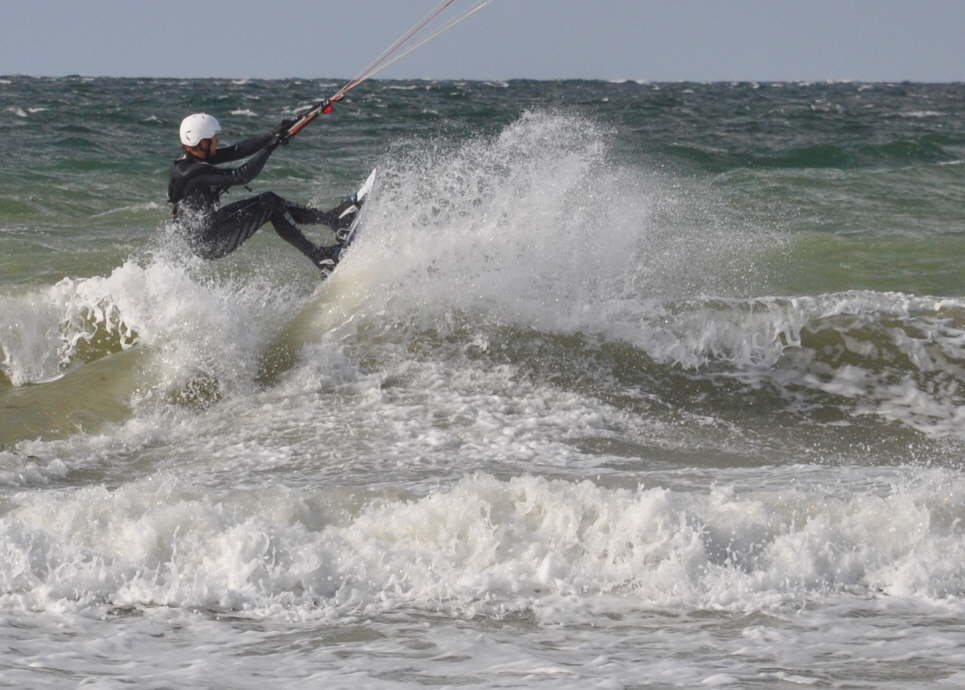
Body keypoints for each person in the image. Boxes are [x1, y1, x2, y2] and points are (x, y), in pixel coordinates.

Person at [167, 112, 357, 271]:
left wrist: (274, 133)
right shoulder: (190, 172)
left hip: (210, 228)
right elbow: (241, 176)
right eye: (213, 140)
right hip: (209, 241)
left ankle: (333, 221)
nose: (217, 142)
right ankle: (322, 257)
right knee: (269, 203)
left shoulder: (193, 158)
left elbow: (237, 151)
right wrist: (270, 147)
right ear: (201, 143)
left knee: (270, 201)